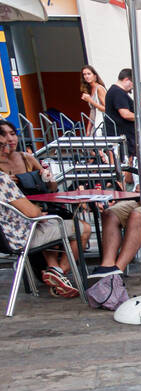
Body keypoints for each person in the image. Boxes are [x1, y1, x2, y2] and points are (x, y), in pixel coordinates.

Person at [0, 125, 88, 298]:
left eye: (12, 134)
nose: (9, 143)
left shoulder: (27, 158)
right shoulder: (2, 178)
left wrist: (47, 177)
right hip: (22, 231)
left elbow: (52, 188)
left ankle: (55, 272)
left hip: (9, 232)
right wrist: (37, 214)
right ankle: (59, 273)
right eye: (3, 142)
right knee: (82, 228)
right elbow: (32, 213)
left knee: (52, 220)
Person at [103, 69, 137, 155]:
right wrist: (140, 116)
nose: (133, 86)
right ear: (126, 80)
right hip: (122, 136)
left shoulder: (114, 91)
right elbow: (125, 114)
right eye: (133, 83)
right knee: (124, 165)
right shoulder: (118, 92)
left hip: (119, 135)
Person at [80, 65, 108, 134]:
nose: (86, 76)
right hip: (95, 123)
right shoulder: (90, 89)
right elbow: (92, 111)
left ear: (95, 76)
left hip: (102, 123)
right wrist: (88, 130)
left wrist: (90, 100)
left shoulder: (99, 88)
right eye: (84, 74)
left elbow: (107, 109)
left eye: (89, 74)